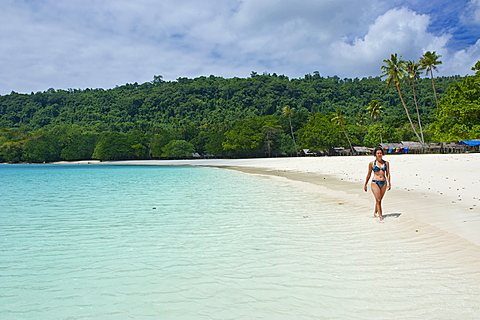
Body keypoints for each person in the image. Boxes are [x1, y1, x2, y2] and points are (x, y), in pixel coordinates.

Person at [364, 147, 391, 221]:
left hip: (384, 182)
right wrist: (365, 184)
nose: (379, 154)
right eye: (378, 153)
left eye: (380, 153)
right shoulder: (372, 164)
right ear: (375, 154)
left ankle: (375, 212)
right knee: (378, 200)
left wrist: (389, 183)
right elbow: (369, 174)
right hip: (375, 182)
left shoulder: (386, 163)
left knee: (379, 200)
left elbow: (388, 173)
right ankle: (381, 217)